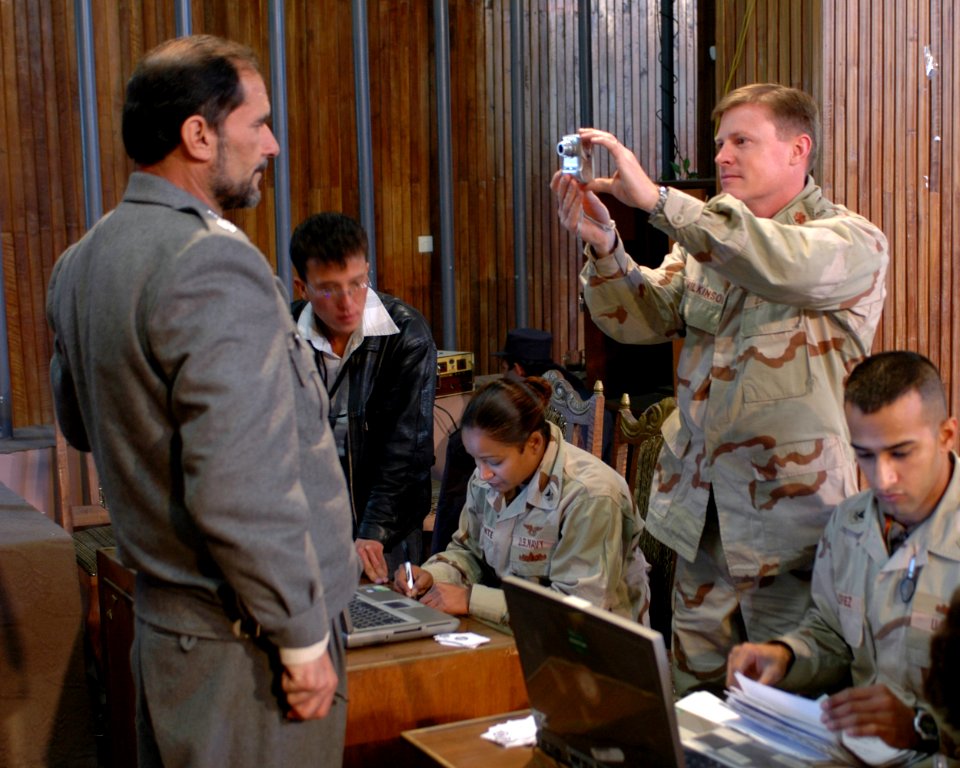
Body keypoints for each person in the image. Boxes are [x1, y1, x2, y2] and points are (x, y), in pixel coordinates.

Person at [46, 35, 358, 767]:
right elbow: (244, 484)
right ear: (198, 134)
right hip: (244, 652)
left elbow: (78, 425)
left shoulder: (83, 260)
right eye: (258, 123)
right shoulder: (211, 260)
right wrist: (303, 635)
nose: (272, 144)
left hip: (170, 640)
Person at [552, 83, 889, 694]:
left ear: (798, 149)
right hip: (703, 519)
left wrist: (658, 200)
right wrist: (605, 247)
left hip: (791, 526)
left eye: (742, 141)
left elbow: (777, 261)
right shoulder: (705, 246)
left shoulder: (849, 241)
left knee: (788, 704)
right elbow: (642, 317)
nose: (723, 156)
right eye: (719, 143)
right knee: (696, 707)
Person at [727, 352, 960, 758]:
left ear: (946, 436)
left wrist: (924, 729)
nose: (882, 478)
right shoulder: (849, 523)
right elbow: (832, 634)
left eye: (901, 453)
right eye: (865, 455)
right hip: (853, 753)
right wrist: (785, 655)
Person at [395, 376, 650, 625]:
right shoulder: (490, 477)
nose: (482, 473)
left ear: (534, 444)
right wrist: (432, 575)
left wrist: (472, 599)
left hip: (589, 649)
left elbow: (577, 611)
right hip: (514, 626)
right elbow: (469, 551)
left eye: (494, 462)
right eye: (476, 458)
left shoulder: (590, 495)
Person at [290, 212, 437, 583]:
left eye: (357, 283)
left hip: (387, 526)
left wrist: (372, 531)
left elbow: (406, 450)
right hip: (307, 525)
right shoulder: (281, 334)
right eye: (328, 289)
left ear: (368, 271)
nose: (348, 302)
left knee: (393, 622)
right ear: (300, 288)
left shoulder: (407, 334)